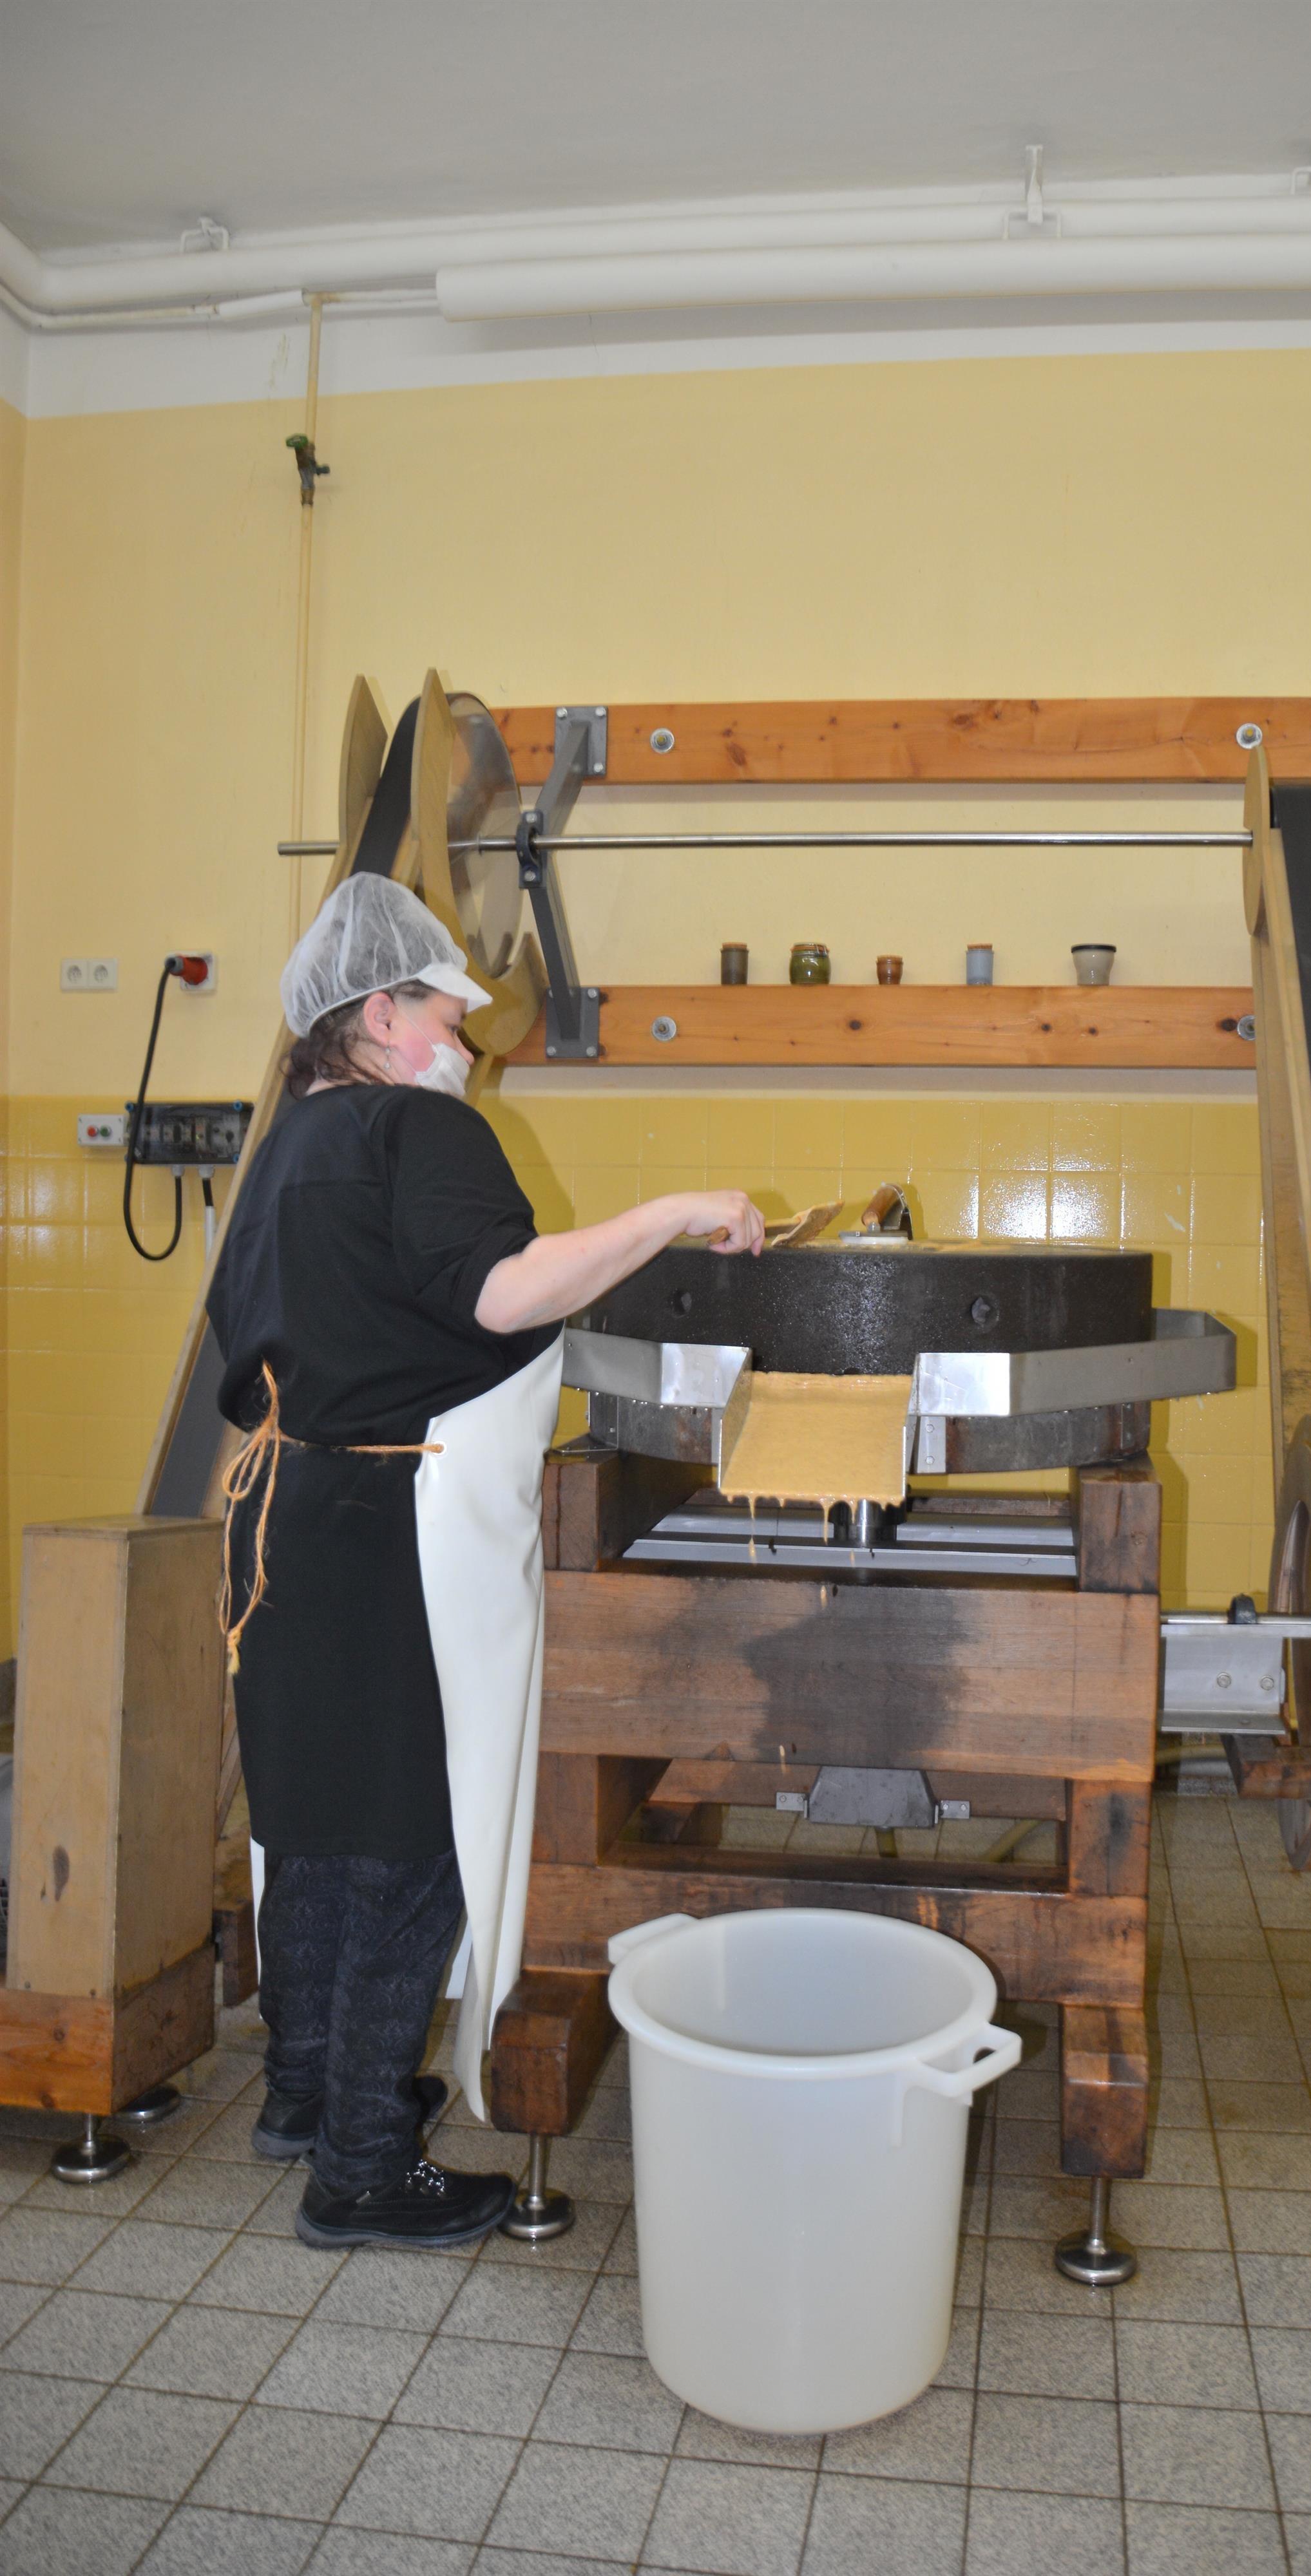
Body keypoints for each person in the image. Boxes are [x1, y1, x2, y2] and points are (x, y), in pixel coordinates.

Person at [206, 873, 763, 2251]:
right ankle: (359, 2166)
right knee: (412, 1839)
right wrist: (671, 1211)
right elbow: (500, 1294)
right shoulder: (419, 1125)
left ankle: (301, 2092)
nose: (467, 1033)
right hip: (401, 1521)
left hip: (284, 1517)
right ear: (380, 1016)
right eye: (448, 1008)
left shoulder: (285, 1146)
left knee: (312, 1823)